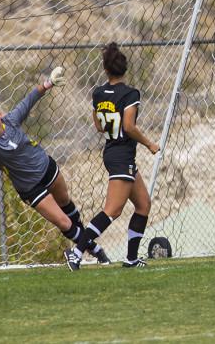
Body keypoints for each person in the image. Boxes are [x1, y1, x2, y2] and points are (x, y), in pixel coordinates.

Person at [0, 67, 110, 264]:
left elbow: (30, 99)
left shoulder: (12, 120)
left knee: (66, 202)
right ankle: (96, 251)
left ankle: (83, 249)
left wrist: (48, 83)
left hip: (46, 167)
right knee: (63, 222)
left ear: (0, 114)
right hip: (30, 187)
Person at [63, 42, 160, 271]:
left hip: (112, 152)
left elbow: (98, 125)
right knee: (113, 210)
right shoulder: (130, 94)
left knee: (143, 204)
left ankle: (131, 259)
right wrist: (149, 144)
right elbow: (129, 126)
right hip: (122, 155)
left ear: (106, 70)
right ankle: (77, 252)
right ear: (124, 69)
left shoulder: (98, 93)